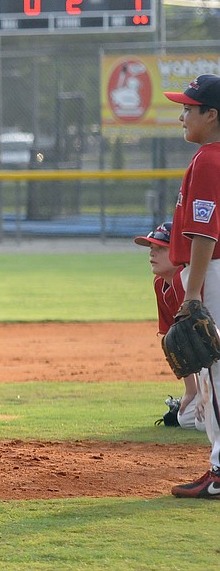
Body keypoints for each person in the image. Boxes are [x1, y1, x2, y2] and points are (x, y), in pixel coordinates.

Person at [163, 73, 220, 498]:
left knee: (215, 375)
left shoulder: (208, 160)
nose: (182, 115)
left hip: (211, 272)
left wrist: (194, 292)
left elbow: (204, 233)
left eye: (188, 107)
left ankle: (219, 472)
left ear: (212, 114)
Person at [133, 221, 204, 431]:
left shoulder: (188, 282)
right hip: (203, 366)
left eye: (160, 248)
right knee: (186, 419)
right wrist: (191, 390)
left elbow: (205, 341)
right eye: (151, 248)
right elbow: (171, 340)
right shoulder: (160, 284)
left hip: (214, 362)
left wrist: (206, 391)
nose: (152, 254)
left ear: (179, 252)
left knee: (202, 423)